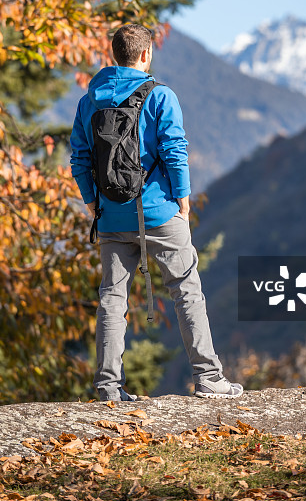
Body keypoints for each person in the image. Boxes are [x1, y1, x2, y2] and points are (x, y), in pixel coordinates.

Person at [69, 23, 243, 401]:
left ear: (115, 54)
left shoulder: (89, 100)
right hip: (159, 212)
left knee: (112, 299)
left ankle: (107, 387)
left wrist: (92, 202)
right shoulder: (160, 96)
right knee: (186, 290)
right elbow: (175, 152)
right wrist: (182, 199)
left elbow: (80, 159)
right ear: (146, 54)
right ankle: (209, 378)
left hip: (111, 216)